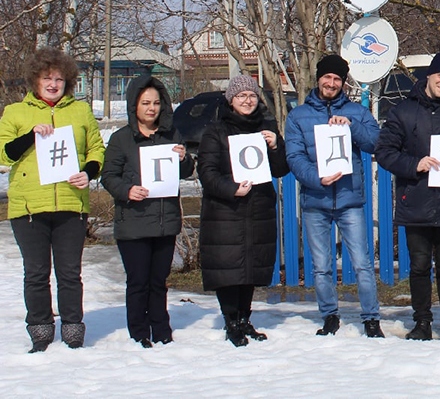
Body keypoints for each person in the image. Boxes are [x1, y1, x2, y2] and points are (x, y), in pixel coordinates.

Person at [0, 49, 105, 352]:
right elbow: (4, 153)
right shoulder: (15, 112)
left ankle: (73, 327)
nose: (53, 83)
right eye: (47, 78)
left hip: (71, 205)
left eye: (59, 79)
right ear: (35, 79)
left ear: (68, 82)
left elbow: (97, 149)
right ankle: (40, 328)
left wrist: (89, 172)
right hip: (29, 208)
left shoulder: (81, 112)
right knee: (36, 272)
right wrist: (31, 135)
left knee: (70, 272)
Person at [375, 52, 440, 342]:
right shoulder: (402, 112)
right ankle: (421, 322)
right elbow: (384, 152)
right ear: (429, 76)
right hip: (416, 200)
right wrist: (414, 164)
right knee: (419, 267)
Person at [285, 54, 384, 339]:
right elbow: (294, 156)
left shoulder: (356, 112)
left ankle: (371, 318)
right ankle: (329, 315)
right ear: (318, 79)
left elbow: (376, 143)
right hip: (316, 200)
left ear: (343, 82)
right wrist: (317, 178)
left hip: (349, 199)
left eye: (337, 79)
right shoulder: (298, 115)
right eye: (327, 77)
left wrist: (351, 127)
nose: (331, 83)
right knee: (321, 266)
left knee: (362, 263)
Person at [101, 75, 193, 347]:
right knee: (138, 280)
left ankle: (161, 329)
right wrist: (127, 191)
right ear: (134, 106)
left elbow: (185, 173)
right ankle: (139, 331)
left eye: (155, 103)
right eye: (145, 103)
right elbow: (108, 176)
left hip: (164, 221)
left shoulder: (171, 134)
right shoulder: (121, 139)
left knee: (158, 280)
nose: (151, 108)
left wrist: (184, 158)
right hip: (133, 221)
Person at [197, 75, 289, 347]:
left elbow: (281, 169)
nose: (247, 101)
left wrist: (275, 146)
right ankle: (231, 320)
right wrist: (230, 188)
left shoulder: (266, 128)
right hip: (226, 210)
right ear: (230, 100)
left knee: (250, 266)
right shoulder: (216, 131)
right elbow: (207, 172)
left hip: (258, 207)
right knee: (229, 267)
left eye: (251, 96)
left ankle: (245, 318)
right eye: (241, 96)